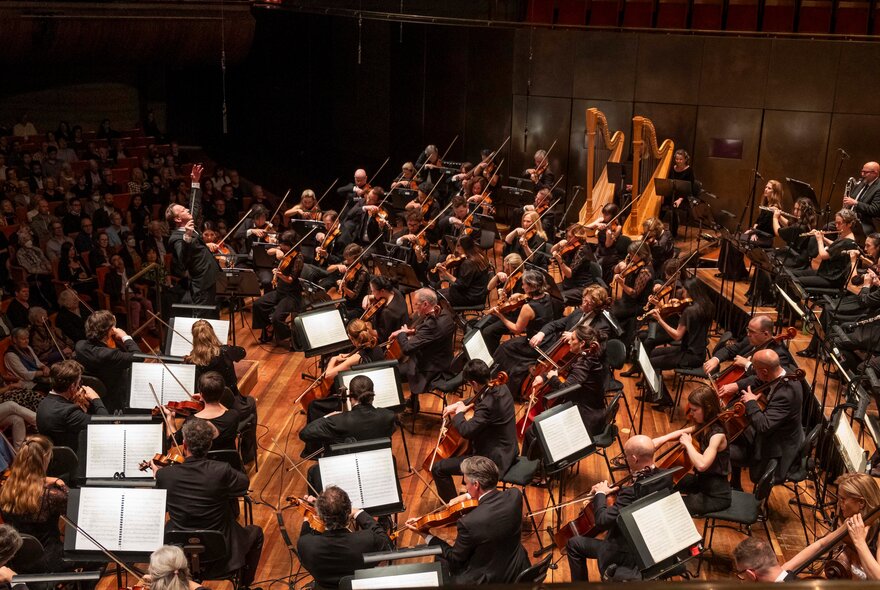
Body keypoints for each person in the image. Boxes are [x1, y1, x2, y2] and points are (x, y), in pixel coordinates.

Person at [152, 419, 263, 589]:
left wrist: (160, 476)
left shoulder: (165, 475)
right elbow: (243, 483)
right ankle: (244, 585)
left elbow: (162, 507)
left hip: (180, 553)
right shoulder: (221, 470)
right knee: (256, 533)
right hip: (222, 552)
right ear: (209, 445)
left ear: (184, 444)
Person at [566, 435, 674, 581]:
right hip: (652, 544)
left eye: (626, 456)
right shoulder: (665, 477)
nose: (625, 459)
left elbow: (602, 521)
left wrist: (600, 494)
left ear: (635, 459)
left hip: (626, 554)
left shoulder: (631, 492)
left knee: (574, 544)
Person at [407, 455, 530, 584]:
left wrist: (425, 534)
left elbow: (455, 558)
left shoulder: (469, 523)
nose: (466, 487)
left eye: (466, 483)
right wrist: (468, 495)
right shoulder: (514, 496)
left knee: (442, 559)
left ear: (476, 484)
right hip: (518, 566)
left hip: (490, 579)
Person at [430, 359, 517, 502]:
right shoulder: (500, 386)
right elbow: (480, 396)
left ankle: (454, 511)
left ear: (474, 383)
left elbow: (466, 430)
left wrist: (458, 413)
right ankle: (470, 491)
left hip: (492, 461)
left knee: (438, 468)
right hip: (507, 450)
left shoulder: (487, 406)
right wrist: (461, 403)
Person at [717, 349, 805, 489]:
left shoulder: (786, 394)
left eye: (755, 369)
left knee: (716, 448)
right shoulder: (782, 372)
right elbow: (756, 379)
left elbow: (763, 426)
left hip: (775, 449)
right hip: (773, 434)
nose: (754, 372)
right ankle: (734, 484)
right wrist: (737, 385)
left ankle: (720, 491)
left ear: (765, 371)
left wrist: (751, 402)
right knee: (731, 431)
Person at [782, 472, 880, 580]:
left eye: (843, 499)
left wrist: (859, 542)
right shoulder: (853, 523)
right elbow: (822, 545)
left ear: (861, 503)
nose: (838, 504)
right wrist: (783, 571)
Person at [651, 386, 731, 515]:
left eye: (694, 410)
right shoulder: (705, 425)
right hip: (700, 483)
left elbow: (702, 465)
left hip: (715, 495)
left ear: (708, 408)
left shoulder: (717, 435)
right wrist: (661, 440)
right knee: (662, 479)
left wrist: (688, 445)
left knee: (669, 506)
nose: (691, 414)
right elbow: (681, 432)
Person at [297, 486, 391, 589]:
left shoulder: (305, 544)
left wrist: (307, 517)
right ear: (348, 511)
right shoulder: (367, 540)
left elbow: (305, 537)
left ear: (320, 516)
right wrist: (358, 513)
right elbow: (387, 543)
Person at [0, 435, 70, 573]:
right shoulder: (51, 496)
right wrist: (59, 483)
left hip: (17, 561)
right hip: (49, 560)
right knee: (95, 560)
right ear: (44, 458)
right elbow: (75, 508)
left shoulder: (4, 490)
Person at [644, 277, 715, 407]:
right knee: (653, 353)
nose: (682, 293)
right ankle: (652, 393)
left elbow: (677, 336)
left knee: (652, 362)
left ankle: (664, 399)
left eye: (684, 290)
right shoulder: (706, 306)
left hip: (690, 355)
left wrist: (659, 319)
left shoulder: (690, 310)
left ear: (690, 291)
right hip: (699, 352)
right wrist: (668, 307)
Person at [389, 288, 454, 412]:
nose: (414, 308)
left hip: (431, 369)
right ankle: (413, 402)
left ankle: (397, 408)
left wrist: (402, 333)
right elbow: (430, 332)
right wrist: (412, 331)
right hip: (445, 360)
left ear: (425, 304)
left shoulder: (431, 326)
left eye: (416, 304)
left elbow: (407, 349)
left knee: (392, 371)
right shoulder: (444, 313)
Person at [167, 164, 220, 307]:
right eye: (183, 210)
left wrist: (195, 182)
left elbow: (194, 205)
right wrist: (187, 238)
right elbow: (182, 260)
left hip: (209, 278)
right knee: (202, 318)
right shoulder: (176, 238)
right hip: (201, 284)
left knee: (211, 314)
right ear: (178, 219)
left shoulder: (189, 223)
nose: (187, 209)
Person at [300, 374, 396, 450]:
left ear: (350, 395)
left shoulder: (337, 421)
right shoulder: (388, 415)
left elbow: (305, 433)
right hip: (377, 461)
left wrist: (327, 417)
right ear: (372, 395)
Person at [73, 310, 142, 412]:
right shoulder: (110, 354)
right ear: (109, 331)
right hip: (115, 392)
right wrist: (125, 337)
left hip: (97, 389)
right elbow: (139, 357)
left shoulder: (79, 345)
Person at [35, 360, 107, 454]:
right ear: (73, 386)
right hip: (75, 458)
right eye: (79, 382)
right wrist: (95, 398)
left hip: (55, 455)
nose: (80, 385)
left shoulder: (44, 403)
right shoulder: (69, 412)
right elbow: (105, 424)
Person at [703, 315, 797, 377]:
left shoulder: (779, 354)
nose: (748, 334)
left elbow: (775, 378)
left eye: (752, 332)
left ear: (766, 334)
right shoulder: (749, 340)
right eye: (748, 330)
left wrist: (747, 364)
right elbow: (729, 350)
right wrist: (715, 359)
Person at [252, 230, 303, 344]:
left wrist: (280, 275)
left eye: (284, 244)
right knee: (258, 305)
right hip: (280, 291)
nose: (281, 246)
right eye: (281, 244)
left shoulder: (298, 258)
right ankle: (268, 326)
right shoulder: (283, 251)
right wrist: (276, 250)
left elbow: (290, 280)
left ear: (291, 245)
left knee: (276, 318)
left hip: (291, 295)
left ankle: (293, 335)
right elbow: (269, 251)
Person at [842, 161, 880, 236]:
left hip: (865, 222)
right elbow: (851, 199)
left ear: (875, 173)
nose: (862, 174)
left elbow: (875, 209)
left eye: (866, 172)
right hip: (851, 219)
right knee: (829, 227)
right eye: (862, 171)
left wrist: (856, 203)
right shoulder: (861, 182)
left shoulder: (878, 188)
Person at [666, 148, 695, 237]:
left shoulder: (689, 171)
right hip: (672, 194)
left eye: (680, 159)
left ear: (686, 159)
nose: (678, 161)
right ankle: (655, 230)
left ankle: (673, 234)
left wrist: (680, 199)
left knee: (673, 207)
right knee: (658, 205)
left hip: (684, 197)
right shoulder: (672, 168)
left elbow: (689, 189)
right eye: (676, 159)